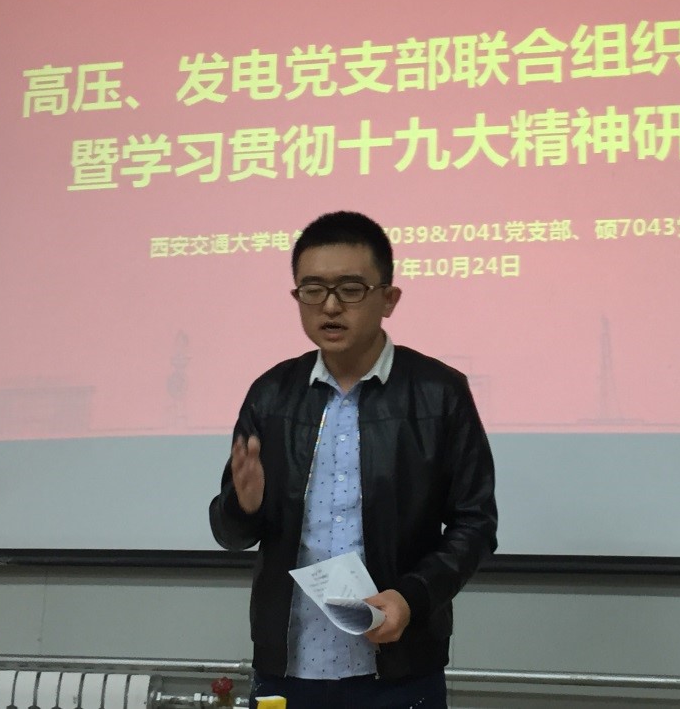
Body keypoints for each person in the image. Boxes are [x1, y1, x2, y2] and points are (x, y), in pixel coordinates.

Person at [210, 210, 498, 709]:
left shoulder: (439, 393)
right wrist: (244, 506)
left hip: (399, 667)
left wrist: (411, 596)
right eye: (312, 289)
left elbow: (475, 524)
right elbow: (231, 534)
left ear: (389, 299)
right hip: (288, 664)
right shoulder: (271, 394)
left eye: (350, 289)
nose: (329, 306)